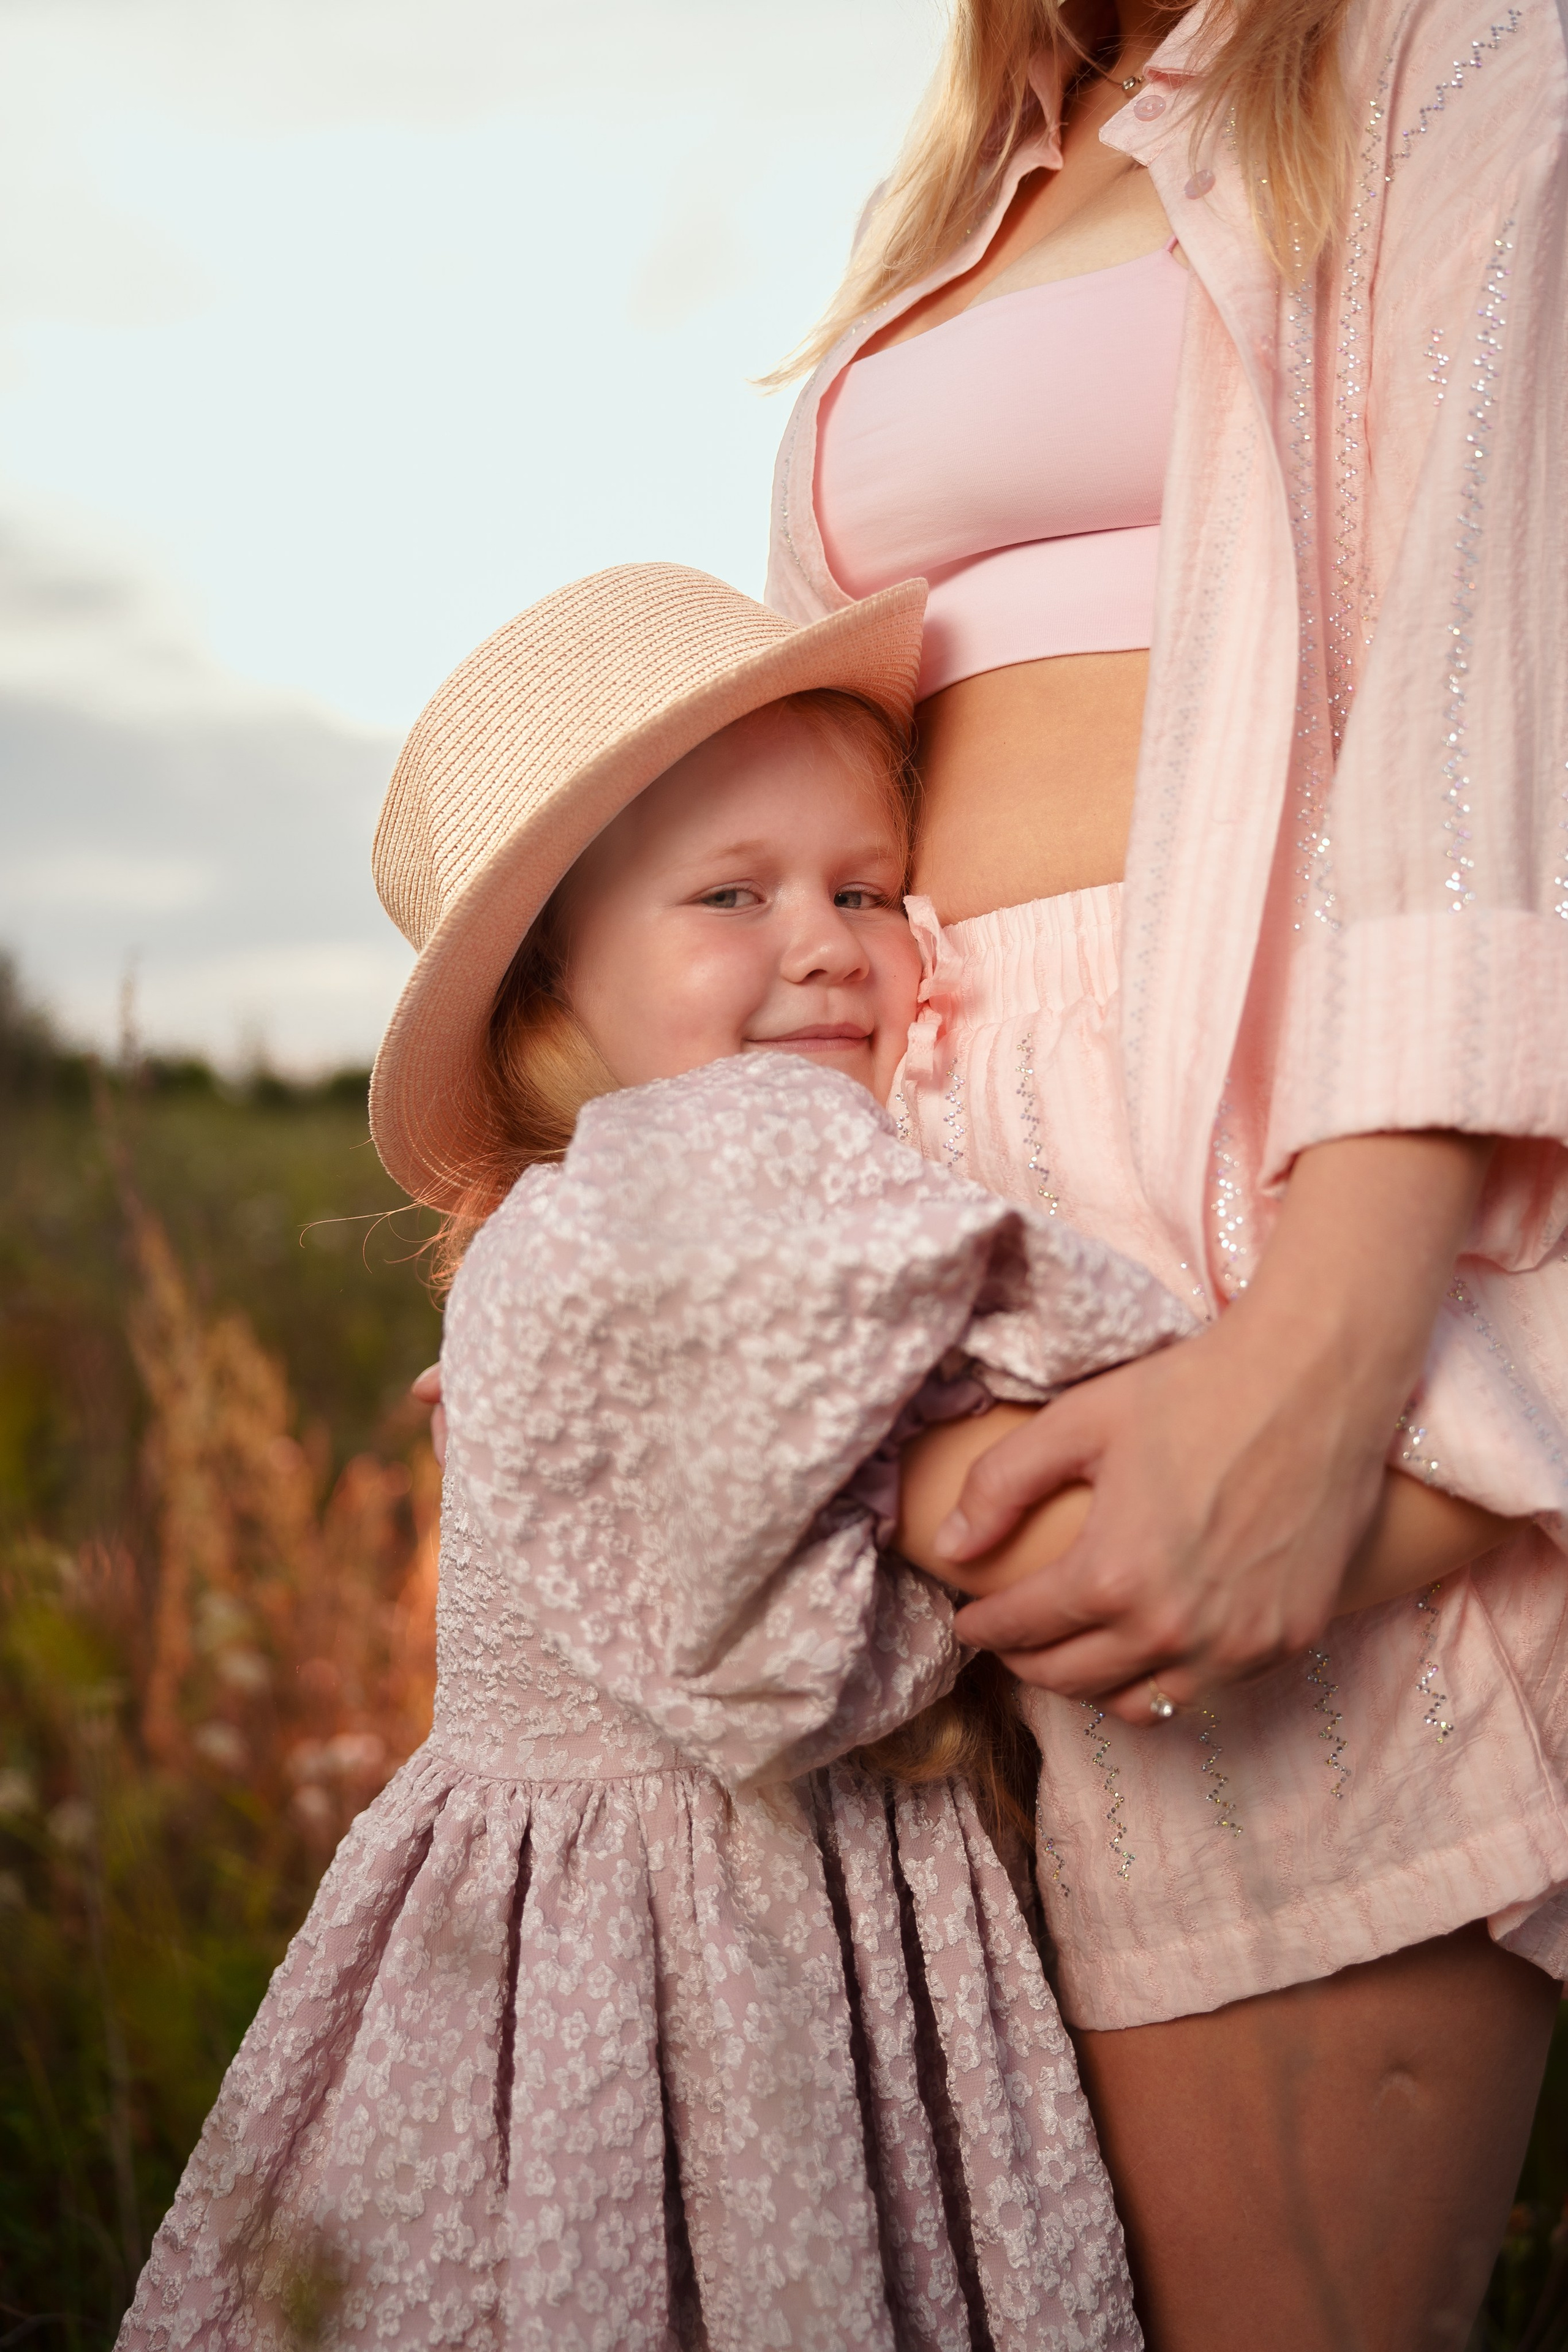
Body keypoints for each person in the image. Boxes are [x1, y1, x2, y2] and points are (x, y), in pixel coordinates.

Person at [119, 564, 1175, 2351]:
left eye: (866, 887)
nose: (830, 941)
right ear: (555, 991)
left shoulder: (593, 1218)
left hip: (661, 1919)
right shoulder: (717, 1173)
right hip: (699, 1933)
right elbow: (1059, 1386)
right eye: (732, 896)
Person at [762, 0, 1568, 2343]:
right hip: (917, 1251)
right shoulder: (977, 178)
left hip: (1263, 1218)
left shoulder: (1438, 50)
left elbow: (1486, 674)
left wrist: (1328, 1362)